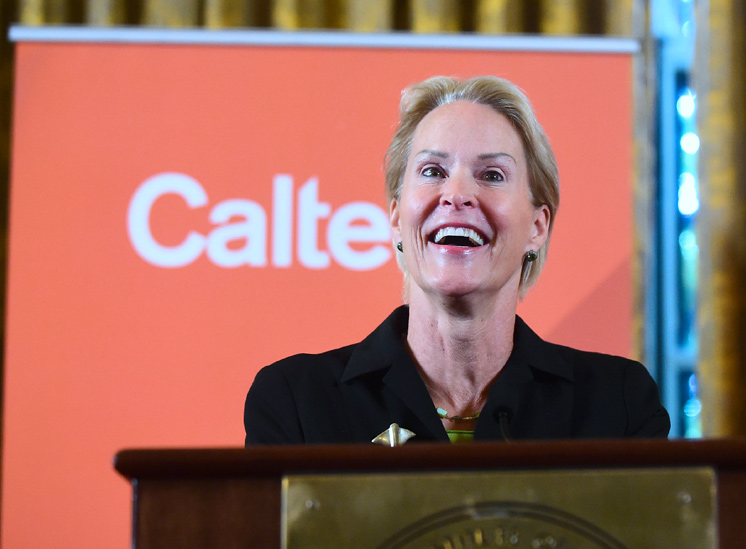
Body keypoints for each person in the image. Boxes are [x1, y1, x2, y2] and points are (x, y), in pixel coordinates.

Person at [244, 75, 669, 445]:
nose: (457, 193)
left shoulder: (620, 405)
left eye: (492, 175)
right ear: (395, 217)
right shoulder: (295, 401)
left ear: (537, 227)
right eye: (432, 171)